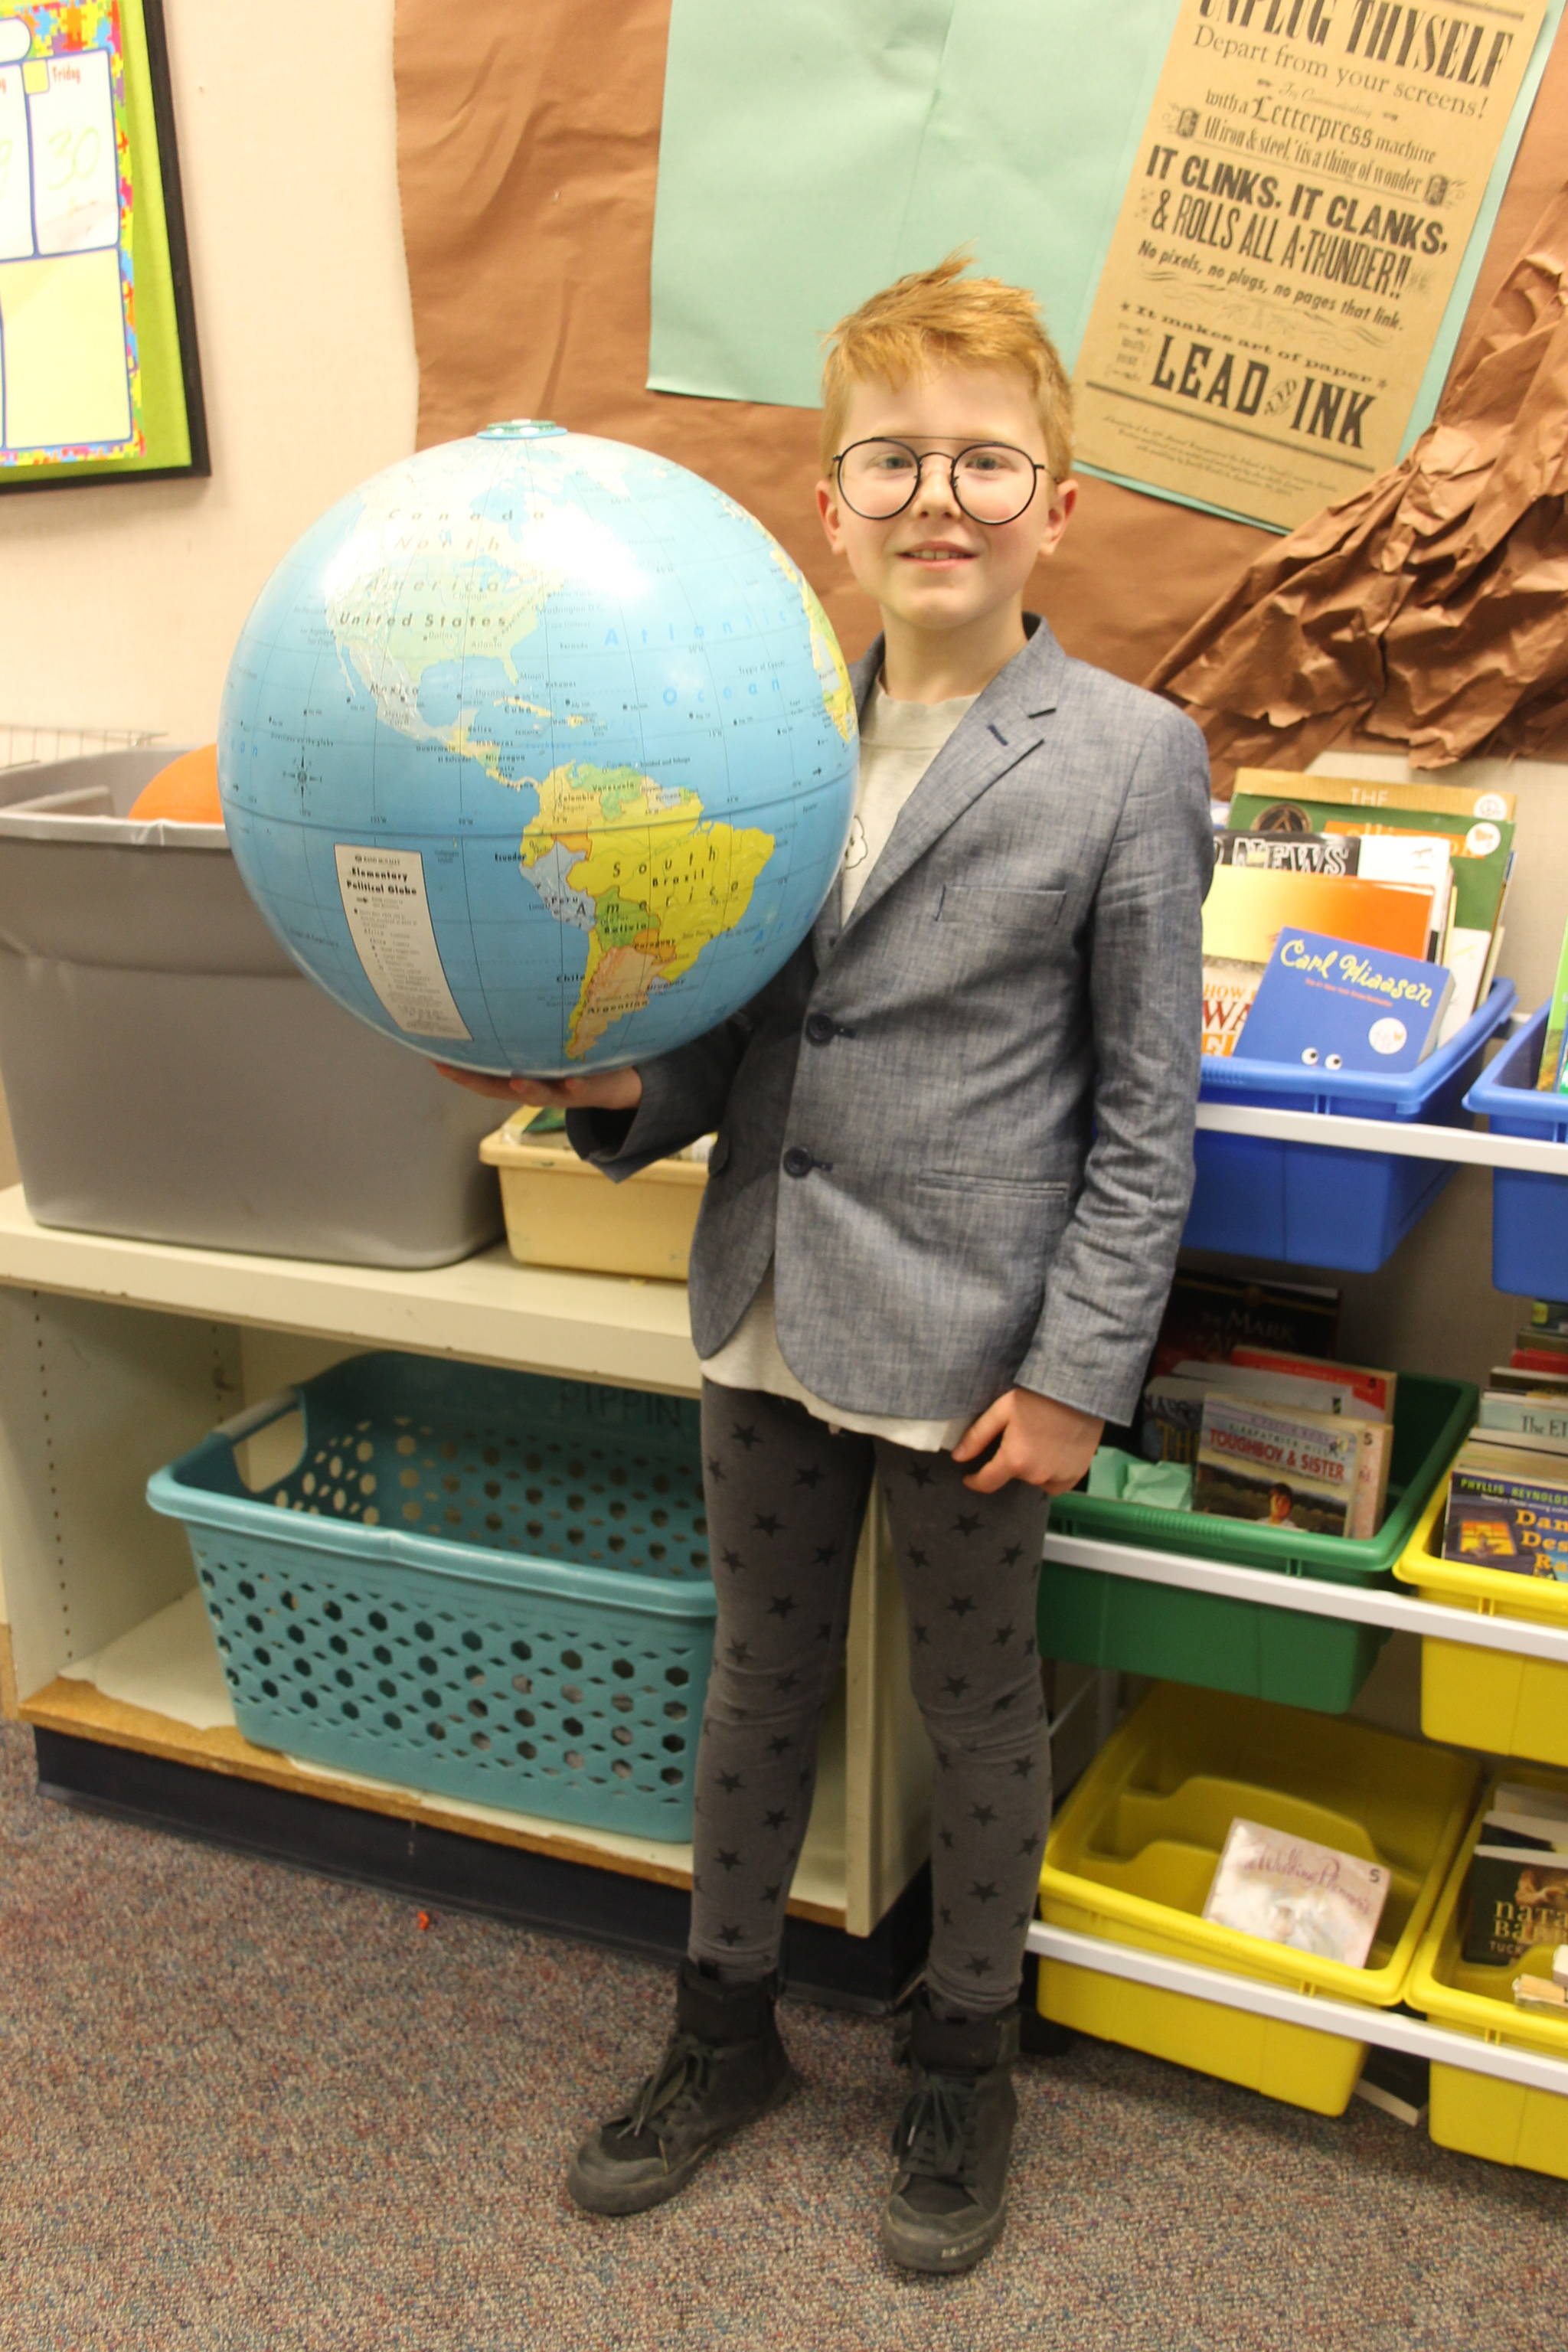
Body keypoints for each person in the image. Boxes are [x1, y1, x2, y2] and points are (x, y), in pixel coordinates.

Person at [437, 255, 1211, 2274]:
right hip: (768, 1295)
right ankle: (724, 2025)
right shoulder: (764, 732)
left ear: (1058, 503)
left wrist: (1075, 1371)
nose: (936, 496)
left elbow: (1144, 1118)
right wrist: (606, 1083)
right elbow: (734, 1034)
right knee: (759, 1678)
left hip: (975, 1346)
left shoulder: (1130, 759)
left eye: (984, 461)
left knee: (975, 1715)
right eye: (895, 459)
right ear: (830, 502)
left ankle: (964, 2059)